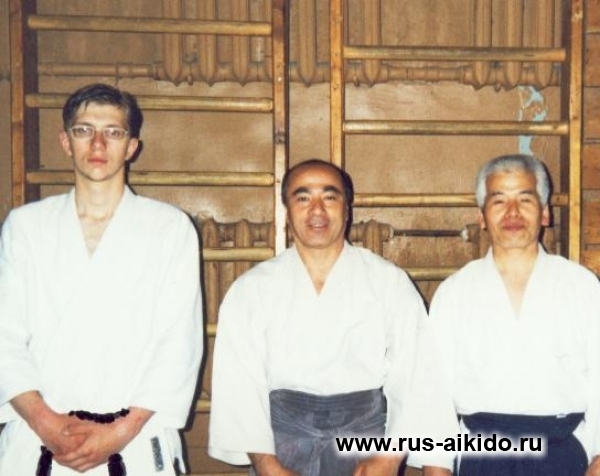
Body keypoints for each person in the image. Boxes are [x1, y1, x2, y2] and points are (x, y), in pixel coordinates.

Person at [0, 83, 203, 475]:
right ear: (65, 141)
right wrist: (46, 424)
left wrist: (120, 432)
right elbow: (4, 338)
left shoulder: (169, 228)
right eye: (84, 130)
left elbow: (178, 344)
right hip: (40, 437)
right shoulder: (26, 227)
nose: (98, 144)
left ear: (131, 147)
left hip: (135, 439)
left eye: (113, 132)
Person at [208, 159, 457, 476]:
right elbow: (240, 385)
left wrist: (390, 458)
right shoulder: (252, 289)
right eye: (303, 198)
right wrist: (267, 465)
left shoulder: (387, 281)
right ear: (287, 212)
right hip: (280, 446)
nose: (317, 210)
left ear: (347, 209)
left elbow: (417, 376)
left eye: (329, 197)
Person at [427, 154, 600, 476]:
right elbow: (434, 394)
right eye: (499, 201)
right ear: (481, 216)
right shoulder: (455, 292)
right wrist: (437, 468)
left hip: (563, 451)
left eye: (525, 199)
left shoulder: (582, 286)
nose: (512, 212)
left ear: (545, 213)